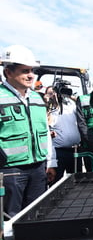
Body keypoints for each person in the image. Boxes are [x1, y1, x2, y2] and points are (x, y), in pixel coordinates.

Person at [0, 45, 57, 217]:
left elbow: (45, 131)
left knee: (36, 215)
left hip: (38, 169)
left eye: (32, 70)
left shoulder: (37, 99)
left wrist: (51, 162)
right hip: (10, 170)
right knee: (10, 217)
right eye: (25, 71)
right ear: (8, 72)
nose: (31, 75)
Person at [48, 78, 82, 184]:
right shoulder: (52, 107)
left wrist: (69, 95)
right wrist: (52, 100)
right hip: (59, 152)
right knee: (56, 183)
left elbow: (83, 104)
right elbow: (47, 122)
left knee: (76, 183)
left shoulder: (72, 105)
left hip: (75, 151)